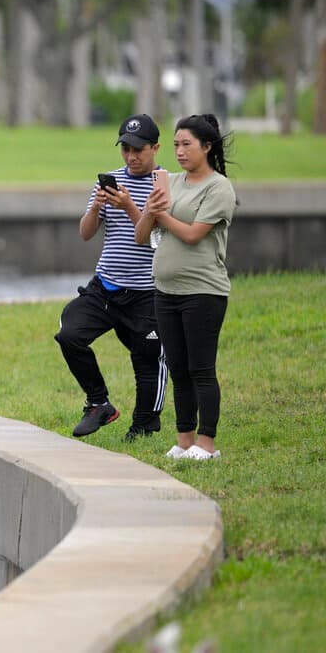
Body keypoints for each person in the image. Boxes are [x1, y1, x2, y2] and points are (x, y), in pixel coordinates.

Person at [55, 114, 168, 441]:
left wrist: (131, 206)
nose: (131, 157)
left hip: (146, 292)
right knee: (70, 334)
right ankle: (98, 403)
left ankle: (144, 426)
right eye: (125, 149)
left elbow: (157, 238)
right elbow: (86, 233)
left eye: (138, 150)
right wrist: (96, 208)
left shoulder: (165, 184)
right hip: (105, 286)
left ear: (155, 148)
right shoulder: (110, 181)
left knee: (147, 360)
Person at [134, 113, 236, 461]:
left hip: (203, 292)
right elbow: (142, 235)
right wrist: (149, 211)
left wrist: (162, 215)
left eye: (186, 144)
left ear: (207, 147)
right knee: (177, 368)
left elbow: (193, 235)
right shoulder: (167, 180)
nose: (179, 151)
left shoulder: (219, 187)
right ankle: (184, 441)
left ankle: (207, 444)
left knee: (201, 369)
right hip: (166, 291)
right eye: (176, 144)